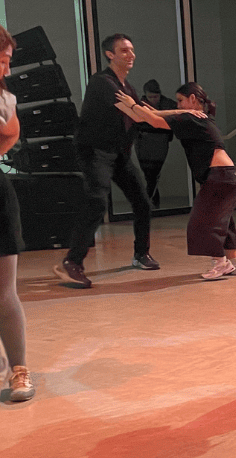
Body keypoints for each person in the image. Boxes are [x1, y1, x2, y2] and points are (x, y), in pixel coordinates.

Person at [54, 33, 159, 289]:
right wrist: (176, 114)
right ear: (109, 55)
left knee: (143, 202)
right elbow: (138, 113)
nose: (131, 54)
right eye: (124, 50)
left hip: (119, 154)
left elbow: (148, 114)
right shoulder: (102, 82)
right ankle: (72, 263)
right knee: (97, 201)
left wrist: (182, 116)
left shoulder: (129, 88)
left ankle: (140, 254)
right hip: (95, 152)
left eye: (132, 50)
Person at [115, 83, 236, 280]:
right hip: (229, 176)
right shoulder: (201, 117)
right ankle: (235, 264)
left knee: (202, 221)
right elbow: (156, 115)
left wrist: (132, 105)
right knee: (225, 222)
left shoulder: (191, 118)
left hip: (218, 176)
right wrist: (136, 107)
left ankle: (220, 263)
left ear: (192, 99)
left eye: (180, 100)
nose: (178, 104)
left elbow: (154, 120)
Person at [0, 26, 33, 402]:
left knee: (4, 293)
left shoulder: (4, 98)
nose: (6, 70)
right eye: (3, 61)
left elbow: (10, 133)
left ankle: (19, 370)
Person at [136, 79, 175, 209]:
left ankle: (146, 204)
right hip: (143, 143)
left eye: (156, 96)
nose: (154, 99)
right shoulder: (139, 106)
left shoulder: (168, 104)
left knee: (153, 174)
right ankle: (152, 203)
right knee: (149, 174)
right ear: (145, 95)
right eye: (151, 97)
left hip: (160, 142)